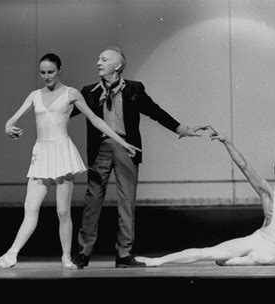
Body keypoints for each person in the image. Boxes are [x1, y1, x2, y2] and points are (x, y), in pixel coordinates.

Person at [0, 53, 140, 271]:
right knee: (30, 208)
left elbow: (96, 120)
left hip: (62, 152)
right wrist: (8, 126)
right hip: (42, 153)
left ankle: (67, 257)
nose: (46, 76)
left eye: (50, 72)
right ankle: (11, 255)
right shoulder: (34, 95)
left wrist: (123, 143)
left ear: (60, 70)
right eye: (43, 72)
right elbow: (13, 118)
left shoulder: (71, 94)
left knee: (62, 211)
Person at [70, 46, 203, 268]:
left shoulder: (134, 89)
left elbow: (154, 110)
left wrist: (180, 128)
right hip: (99, 150)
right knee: (92, 201)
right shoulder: (88, 91)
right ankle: (83, 253)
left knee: (127, 202)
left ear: (118, 65)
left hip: (127, 148)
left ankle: (124, 255)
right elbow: (65, 110)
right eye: (98, 59)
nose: (98, 63)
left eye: (104, 59)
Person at [136, 127, 275, 267]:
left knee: (260, 258)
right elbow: (244, 166)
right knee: (208, 252)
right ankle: (156, 261)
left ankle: (235, 261)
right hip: (259, 239)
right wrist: (227, 142)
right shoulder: (268, 191)